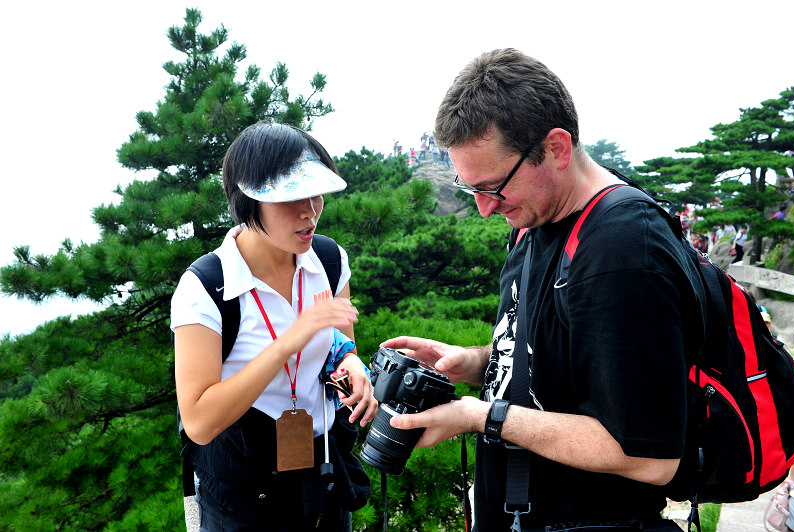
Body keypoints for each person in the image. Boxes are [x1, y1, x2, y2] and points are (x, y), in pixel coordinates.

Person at [381, 48, 704, 531]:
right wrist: (474, 363)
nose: (486, 210)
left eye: (493, 186)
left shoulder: (621, 251)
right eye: (471, 190)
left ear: (556, 148)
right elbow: (562, 355)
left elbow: (647, 456)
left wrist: (482, 417)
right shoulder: (534, 221)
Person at [171, 122, 378, 531]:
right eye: (290, 198)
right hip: (244, 495)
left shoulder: (329, 261)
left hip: (322, 475)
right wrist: (288, 342)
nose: (310, 211)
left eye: (314, 193)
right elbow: (198, 421)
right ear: (248, 201)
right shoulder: (206, 288)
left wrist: (352, 367)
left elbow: (340, 348)